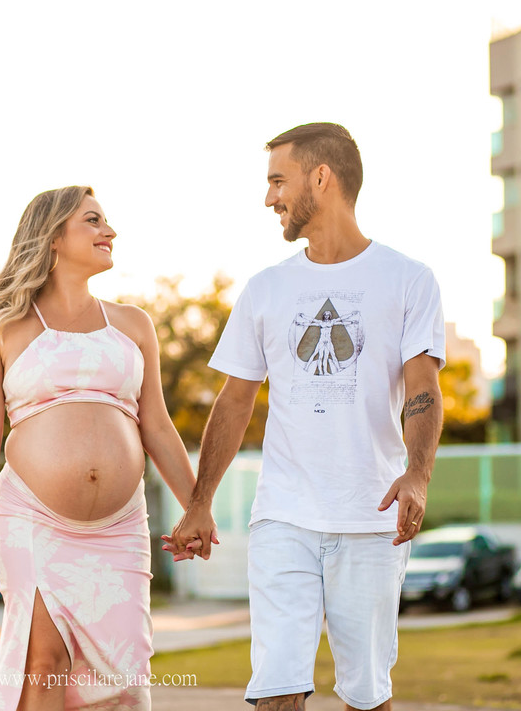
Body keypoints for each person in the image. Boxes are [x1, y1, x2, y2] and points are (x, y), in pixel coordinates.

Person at [167, 123, 445, 711]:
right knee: (276, 691)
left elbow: (423, 387)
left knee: (366, 698)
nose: (270, 199)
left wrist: (418, 474)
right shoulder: (266, 289)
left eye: (278, 181)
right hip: (283, 517)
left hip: (372, 518)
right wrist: (199, 503)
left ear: (321, 177)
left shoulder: (409, 280)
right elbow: (235, 400)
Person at [0, 185, 196, 711]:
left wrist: (198, 506)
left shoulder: (134, 324)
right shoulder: (0, 328)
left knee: (121, 678)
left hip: (120, 529)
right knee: (43, 665)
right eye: (94, 221)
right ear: (54, 237)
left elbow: (160, 428)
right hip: (34, 523)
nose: (110, 231)